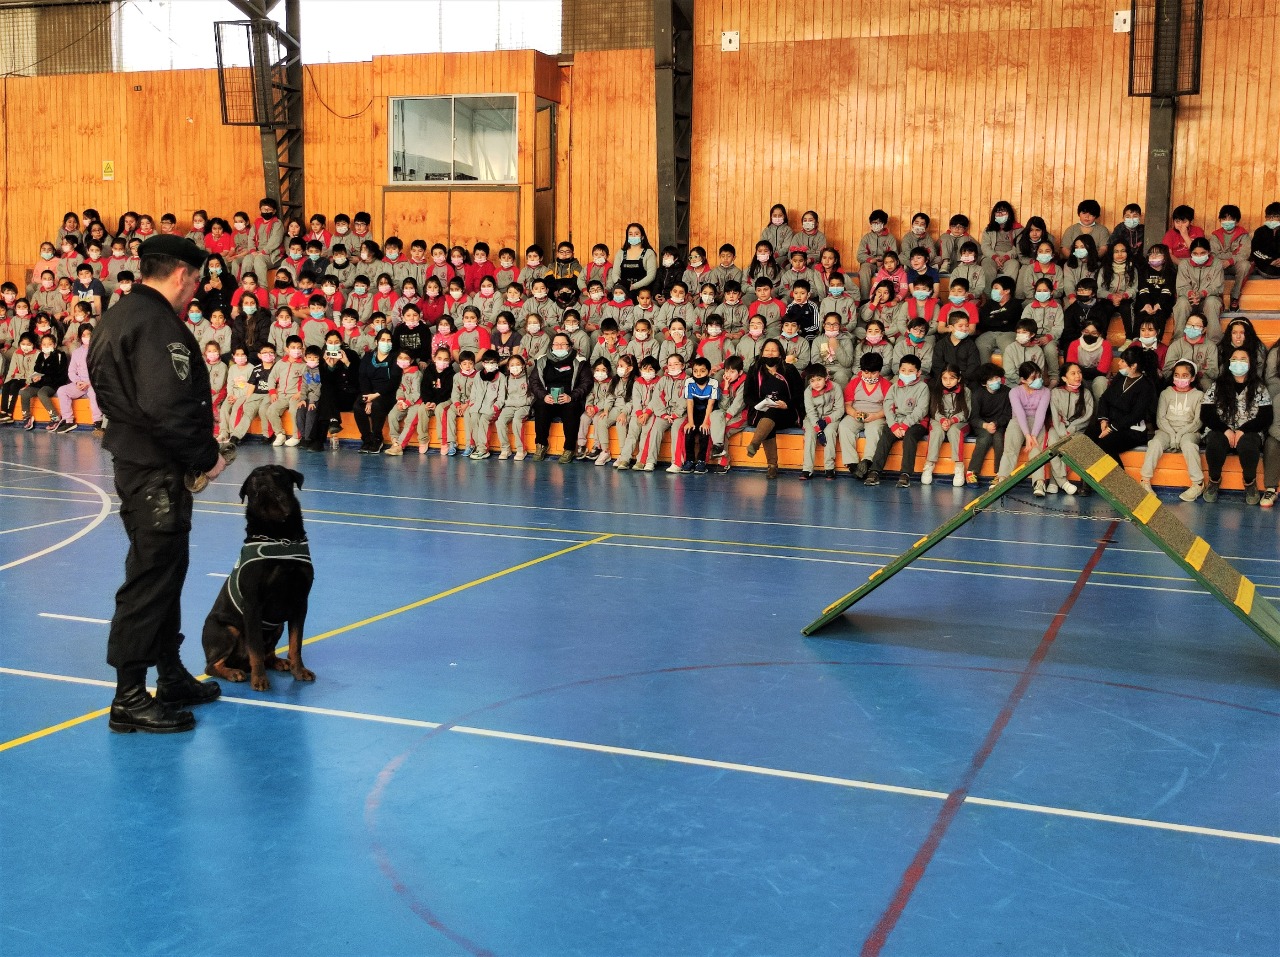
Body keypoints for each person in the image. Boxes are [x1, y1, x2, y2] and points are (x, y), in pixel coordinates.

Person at [86, 235, 227, 734]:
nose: (196, 290)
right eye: (196, 280)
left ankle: (169, 674)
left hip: (139, 461)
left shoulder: (121, 315)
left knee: (167, 570)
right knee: (149, 577)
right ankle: (128, 696)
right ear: (182, 274)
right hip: (154, 470)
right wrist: (207, 457)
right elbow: (166, 406)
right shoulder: (156, 325)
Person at [1201, 348, 1273, 504]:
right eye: (1235, 359)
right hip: (1221, 429)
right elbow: (1206, 413)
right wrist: (1225, 430)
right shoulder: (1218, 385)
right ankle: (1214, 480)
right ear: (1229, 362)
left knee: (1248, 446)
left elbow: (1266, 417)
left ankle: (1249, 482)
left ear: (1250, 363)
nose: (1238, 362)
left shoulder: (1259, 387)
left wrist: (1243, 430)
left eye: (1243, 359)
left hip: (1250, 431)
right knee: (1214, 444)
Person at [1141, 360, 1205, 500]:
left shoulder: (1198, 395)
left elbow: (1197, 421)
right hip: (1166, 429)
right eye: (1177, 375)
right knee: (1155, 443)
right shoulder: (1166, 393)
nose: (1180, 379)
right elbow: (1160, 419)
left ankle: (1197, 483)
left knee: (1189, 445)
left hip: (1189, 431)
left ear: (1192, 378)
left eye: (1184, 375)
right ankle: (1145, 481)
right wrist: (1172, 434)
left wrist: (1180, 434)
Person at [1086, 346, 1159, 464]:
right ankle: (1090, 479)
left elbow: (1135, 415)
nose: (1119, 363)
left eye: (1123, 361)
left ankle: (1118, 481)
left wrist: (1111, 428)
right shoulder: (1120, 377)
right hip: (1111, 423)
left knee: (1105, 445)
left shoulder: (1146, 386)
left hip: (1132, 430)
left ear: (1133, 366)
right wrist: (1103, 420)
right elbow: (1105, 398)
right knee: (1088, 437)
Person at [743, 338, 803, 479]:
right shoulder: (755, 369)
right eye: (767, 350)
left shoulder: (789, 369)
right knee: (769, 414)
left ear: (780, 353)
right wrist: (760, 404)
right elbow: (748, 396)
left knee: (773, 412)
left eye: (773, 350)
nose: (770, 353)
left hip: (786, 412)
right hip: (761, 411)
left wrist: (786, 404)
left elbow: (799, 394)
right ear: (762, 353)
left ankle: (758, 448)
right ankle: (771, 467)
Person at [528, 332, 591, 463]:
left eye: (563, 344)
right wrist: (544, 396)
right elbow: (534, 382)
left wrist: (571, 396)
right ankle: (541, 445)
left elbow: (586, 383)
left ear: (570, 346)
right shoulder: (542, 360)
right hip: (548, 398)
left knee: (571, 409)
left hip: (569, 399)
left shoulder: (579, 361)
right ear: (551, 346)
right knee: (540, 406)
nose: (559, 347)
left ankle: (569, 449)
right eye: (556, 344)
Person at [354, 329, 399, 453]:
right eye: (383, 340)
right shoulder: (368, 357)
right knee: (358, 406)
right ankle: (366, 438)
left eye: (389, 340)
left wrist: (376, 396)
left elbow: (394, 381)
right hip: (369, 393)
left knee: (377, 405)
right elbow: (363, 378)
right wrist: (368, 398)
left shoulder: (395, 358)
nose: (386, 342)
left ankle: (377, 438)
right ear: (376, 342)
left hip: (387, 394)